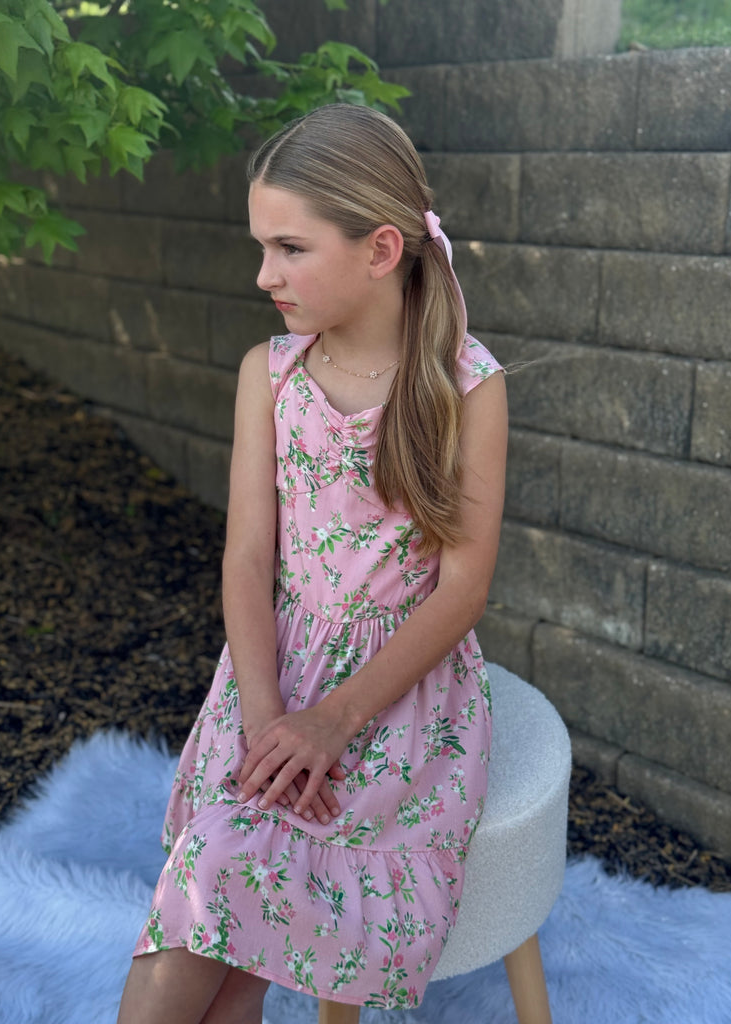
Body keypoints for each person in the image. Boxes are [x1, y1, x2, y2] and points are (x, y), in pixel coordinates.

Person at [117, 103, 507, 1024]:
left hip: (395, 701)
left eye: (289, 248)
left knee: (226, 880)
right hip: (272, 673)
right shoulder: (272, 373)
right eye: (262, 247)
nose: (264, 275)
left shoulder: (466, 389)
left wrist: (331, 722)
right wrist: (265, 720)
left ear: (380, 250)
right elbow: (247, 557)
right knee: (221, 894)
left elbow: (462, 592)